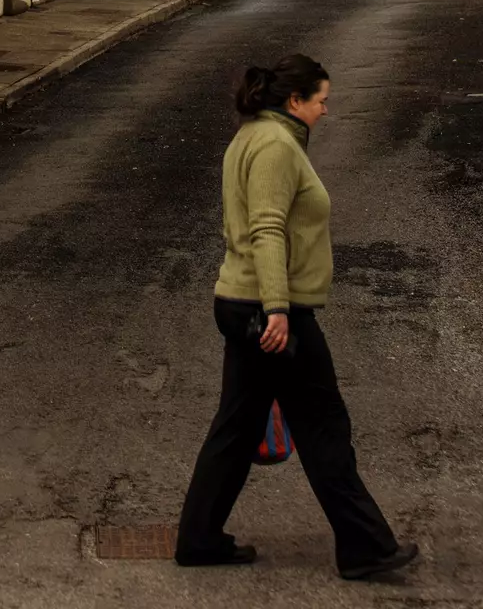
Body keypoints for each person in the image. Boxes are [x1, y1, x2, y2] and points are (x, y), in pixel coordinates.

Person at [175, 53, 419, 582]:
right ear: (295, 101)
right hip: (269, 310)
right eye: (321, 101)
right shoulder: (275, 146)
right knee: (324, 425)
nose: (326, 111)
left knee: (237, 429)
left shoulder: (254, 136)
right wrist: (279, 310)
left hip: (246, 303)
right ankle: (365, 547)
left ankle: (198, 540)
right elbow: (267, 228)